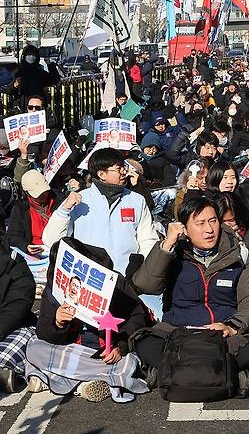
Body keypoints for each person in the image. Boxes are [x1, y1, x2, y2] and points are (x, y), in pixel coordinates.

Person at [130, 197, 249, 395]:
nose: (209, 229)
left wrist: (233, 326)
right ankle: (227, 371)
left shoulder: (238, 253)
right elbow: (145, 285)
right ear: (184, 228)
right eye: (200, 223)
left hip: (221, 333)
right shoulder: (172, 251)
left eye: (213, 221)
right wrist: (167, 245)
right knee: (145, 342)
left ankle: (170, 369)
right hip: (177, 332)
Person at [25, 238, 149, 402]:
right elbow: (43, 332)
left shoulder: (112, 280)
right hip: (71, 348)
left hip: (105, 352)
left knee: (128, 362)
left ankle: (54, 379)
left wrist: (120, 347)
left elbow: (138, 316)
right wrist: (57, 323)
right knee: (34, 347)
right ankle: (91, 382)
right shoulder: (54, 284)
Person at [42, 148, 159, 276]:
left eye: (124, 167)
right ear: (101, 174)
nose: (124, 172)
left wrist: (140, 270)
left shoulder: (136, 200)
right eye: (119, 169)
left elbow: (148, 239)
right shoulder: (79, 200)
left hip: (127, 278)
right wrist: (63, 211)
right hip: (88, 278)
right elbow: (51, 240)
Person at [0, 234, 36, 393]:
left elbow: (19, 306)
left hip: (10, 328)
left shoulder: (14, 261)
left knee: (25, 337)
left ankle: (5, 372)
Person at [7, 170, 58, 255]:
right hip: (35, 252)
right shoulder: (20, 209)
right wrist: (26, 246)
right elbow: (13, 236)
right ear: (27, 193)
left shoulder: (58, 201)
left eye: (44, 191)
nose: (43, 195)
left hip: (56, 249)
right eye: (38, 194)